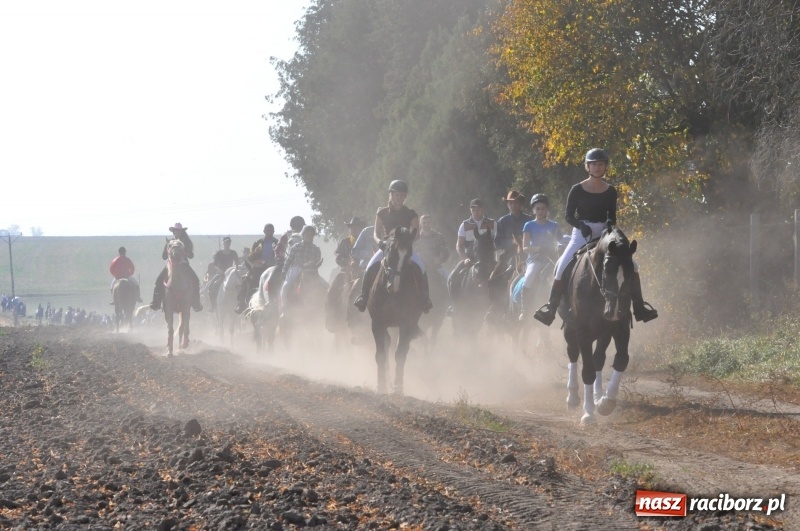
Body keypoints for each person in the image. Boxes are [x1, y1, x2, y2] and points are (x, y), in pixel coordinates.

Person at [533, 148, 658, 325]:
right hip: (580, 234)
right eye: (594, 164)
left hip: (604, 234)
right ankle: (550, 309)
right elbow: (568, 216)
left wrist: (609, 227)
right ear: (587, 166)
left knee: (634, 266)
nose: (598, 168)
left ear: (605, 167)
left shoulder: (610, 190)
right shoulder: (577, 189)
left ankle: (640, 308)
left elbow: (612, 218)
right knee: (561, 267)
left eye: (601, 164)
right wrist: (581, 225)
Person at [353, 179, 431, 313]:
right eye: (397, 195)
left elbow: (416, 234)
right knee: (370, 267)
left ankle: (425, 299)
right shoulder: (382, 212)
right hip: (387, 248)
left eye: (402, 195)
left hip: (405, 249)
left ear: (405, 197)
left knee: (421, 268)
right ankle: (363, 297)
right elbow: (376, 233)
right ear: (391, 195)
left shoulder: (411, 213)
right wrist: (380, 243)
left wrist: (410, 238)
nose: (399, 198)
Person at [517, 194, 560, 321]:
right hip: (535, 259)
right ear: (533, 210)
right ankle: (524, 310)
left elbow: (560, 241)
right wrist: (539, 248)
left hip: (551, 259)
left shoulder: (554, 225)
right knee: (529, 278)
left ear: (547, 210)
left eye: (543, 208)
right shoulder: (528, 225)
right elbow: (525, 247)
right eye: (538, 209)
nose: (541, 211)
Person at [149, 223, 203, 312]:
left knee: (196, 280)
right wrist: (168, 251)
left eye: (178, 230)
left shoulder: (186, 242)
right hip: (170, 266)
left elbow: (191, 255)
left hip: (184, 265)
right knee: (159, 280)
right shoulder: (169, 242)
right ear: (173, 232)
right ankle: (156, 302)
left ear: (181, 231)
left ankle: (196, 303)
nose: (177, 232)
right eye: (175, 230)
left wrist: (186, 252)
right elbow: (164, 257)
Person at [234, 224, 280, 314]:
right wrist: (255, 252)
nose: (269, 233)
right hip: (259, 268)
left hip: (274, 268)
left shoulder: (278, 243)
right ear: (264, 232)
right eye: (267, 231)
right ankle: (241, 303)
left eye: (271, 231)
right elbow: (250, 258)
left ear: (274, 232)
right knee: (246, 280)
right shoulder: (258, 243)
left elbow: (282, 255)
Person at [280, 225, 322, 315]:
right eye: (307, 235)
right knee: (285, 287)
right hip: (296, 269)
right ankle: (284, 308)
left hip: (311, 271)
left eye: (311, 235)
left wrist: (309, 265)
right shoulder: (296, 247)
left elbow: (317, 261)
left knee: (325, 286)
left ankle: (322, 309)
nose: (309, 237)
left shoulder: (316, 249)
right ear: (303, 235)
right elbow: (289, 260)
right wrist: (284, 271)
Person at [494, 190, 534, 268]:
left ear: (521, 204)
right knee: (496, 276)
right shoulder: (502, 221)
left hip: (529, 253)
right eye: (510, 203)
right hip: (509, 254)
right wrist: (512, 242)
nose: (513, 206)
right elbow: (497, 242)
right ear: (507, 205)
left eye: (516, 203)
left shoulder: (529, 220)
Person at [208, 236, 240, 312]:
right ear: (223, 243)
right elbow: (215, 265)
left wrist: (235, 269)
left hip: (231, 273)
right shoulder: (219, 253)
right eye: (226, 242)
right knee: (211, 287)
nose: (227, 244)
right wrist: (220, 270)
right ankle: (213, 306)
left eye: (229, 242)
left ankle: (240, 304)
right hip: (221, 273)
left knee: (240, 286)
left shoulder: (233, 253)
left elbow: (237, 263)